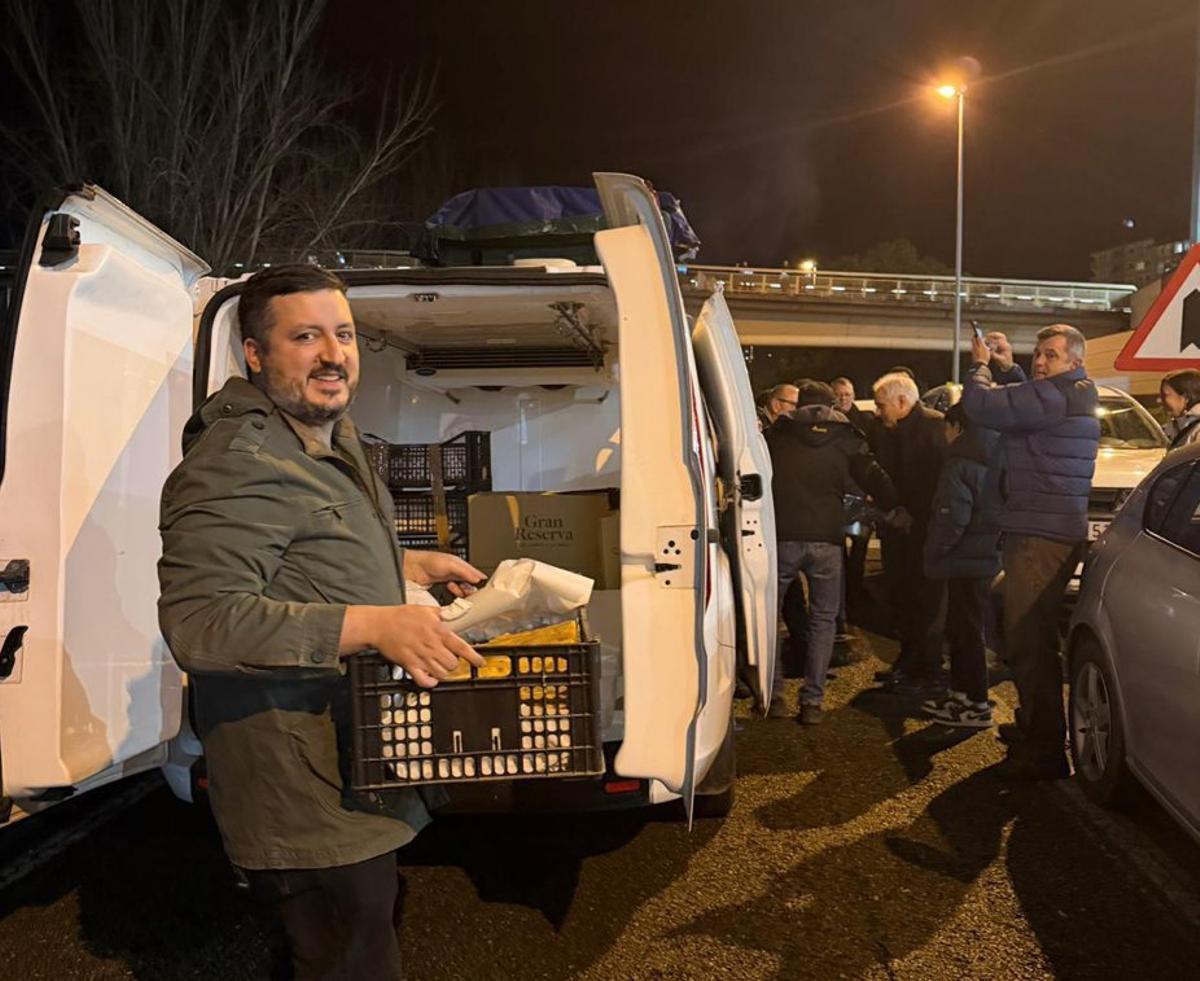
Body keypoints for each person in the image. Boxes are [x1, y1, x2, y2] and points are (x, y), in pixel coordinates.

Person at [157, 264, 487, 978]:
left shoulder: (323, 438)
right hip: (302, 798)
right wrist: (372, 624)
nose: (333, 354)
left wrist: (409, 566)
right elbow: (201, 620)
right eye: (304, 336)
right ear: (254, 354)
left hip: (352, 773)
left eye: (342, 334)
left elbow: (306, 555)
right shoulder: (237, 461)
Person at [962, 324, 1100, 781]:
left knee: (1029, 641)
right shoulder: (1066, 394)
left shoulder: (1055, 398)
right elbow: (1030, 399)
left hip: (1040, 536)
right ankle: (1037, 727)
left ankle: (1044, 750)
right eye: (1038, 354)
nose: (1040, 362)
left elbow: (982, 407)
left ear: (1074, 362)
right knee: (1024, 629)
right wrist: (1008, 367)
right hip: (1047, 531)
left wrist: (981, 366)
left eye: (1051, 356)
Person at [764, 379, 900, 724]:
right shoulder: (846, 438)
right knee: (823, 620)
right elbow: (874, 477)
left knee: (769, 618)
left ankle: (775, 696)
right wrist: (895, 506)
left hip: (781, 536)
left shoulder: (776, 437)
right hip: (827, 539)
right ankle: (812, 702)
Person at [921, 402, 1003, 728]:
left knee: (966, 633)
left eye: (946, 427)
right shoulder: (996, 454)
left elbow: (951, 516)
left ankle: (975, 703)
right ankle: (962, 696)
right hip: (986, 556)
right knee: (968, 630)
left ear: (957, 426)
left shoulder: (960, 461)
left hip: (964, 559)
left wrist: (935, 552)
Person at [872, 371, 948, 694]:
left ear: (902, 401)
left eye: (881, 405)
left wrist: (910, 512)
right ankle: (909, 660)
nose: (879, 412)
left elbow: (936, 482)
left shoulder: (935, 428)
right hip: (898, 529)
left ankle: (927, 668)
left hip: (925, 530)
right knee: (903, 596)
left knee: (927, 600)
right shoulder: (888, 430)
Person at [1160, 368, 1200, 449]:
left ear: (1185, 397)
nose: (1160, 400)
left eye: (1165, 395)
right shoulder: (1173, 426)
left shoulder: (1197, 430)